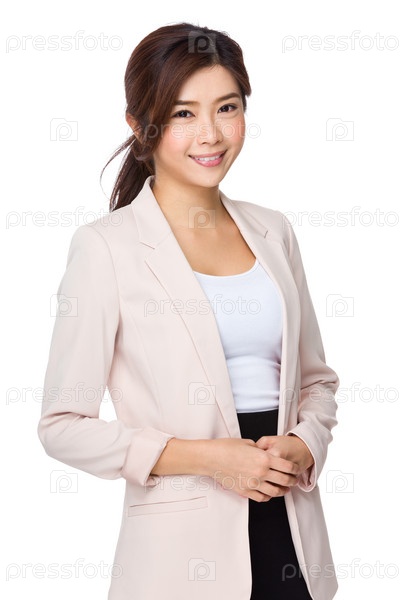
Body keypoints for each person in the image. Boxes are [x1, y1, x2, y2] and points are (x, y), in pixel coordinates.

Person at [38, 22, 340, 600]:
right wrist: (208, 459)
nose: (211, 134)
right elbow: (62, 427)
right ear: (139, 125)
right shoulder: (106, 248)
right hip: (179, 563)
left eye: (227, 107)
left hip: (294, 541)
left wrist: (306, 443)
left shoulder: (274, 231)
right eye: (183, 114)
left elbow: (316, 381)